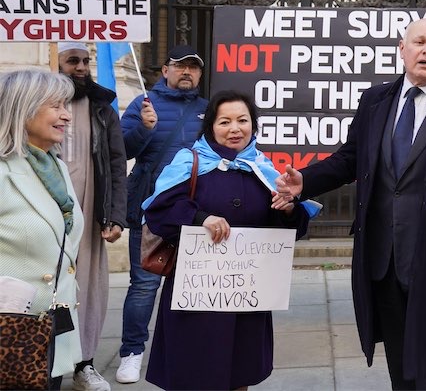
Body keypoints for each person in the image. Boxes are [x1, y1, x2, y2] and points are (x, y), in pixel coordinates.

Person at [275, 18, 426, 390]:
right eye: (419, 41)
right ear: (401, 49)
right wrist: (305, 181)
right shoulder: (375, 101)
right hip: (384, 257)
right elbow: (349, 158)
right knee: (400, 364)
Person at [141, 90, 313, 390]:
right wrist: (199, 218)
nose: (235, 129)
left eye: (242, 120)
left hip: (246, 298)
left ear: (253, 126)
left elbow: (290, 228)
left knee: (239, 374)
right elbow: (159, 212)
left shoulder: (263, 169)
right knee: (194, 375)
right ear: (211, 127)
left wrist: (287, 211)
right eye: (225, 122)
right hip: (196, 298)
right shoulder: (189, 162)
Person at [116, 45, 208, 384]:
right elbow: (121, 150)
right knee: (144, 285)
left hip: (194, 213)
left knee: (192, 285)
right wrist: (145, 128)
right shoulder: (143, 105)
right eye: (180, 66)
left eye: (193, 68)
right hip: (150, 211)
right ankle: (131, 353)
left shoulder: (206, 110)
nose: (187, 72)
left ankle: (187, 348)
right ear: (165, 71)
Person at [0, 69, 84, 390]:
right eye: (56, 106)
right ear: (23, 109)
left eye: (67, 106)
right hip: (11, 336)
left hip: (48, 335)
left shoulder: (56, 166)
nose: (66, 116)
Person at [56, 42, 127, 391]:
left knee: (89, 289)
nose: (82, 67)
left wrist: (114, 215)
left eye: (86, 60)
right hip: (48, 216)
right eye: (73, 61)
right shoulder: (36, 105)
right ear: (57, 64)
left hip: (90, 215)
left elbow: (116, 165)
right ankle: (46, 363)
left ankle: (84, 364)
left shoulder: (103, 107)